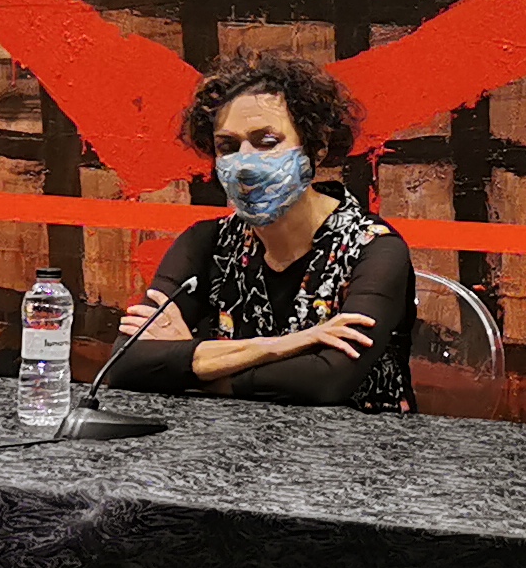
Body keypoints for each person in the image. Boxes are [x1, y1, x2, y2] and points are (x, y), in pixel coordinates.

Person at [105, 53, 414, 408]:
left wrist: (193, 366)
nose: (244, 164)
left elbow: (326, 382)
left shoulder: (373, 248)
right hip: (232, 436)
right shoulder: (208, 242)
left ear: (316, 148)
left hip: (361, 438)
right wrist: (284, 345)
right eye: (228, 146)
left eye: (266, 142)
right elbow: (125, 364)